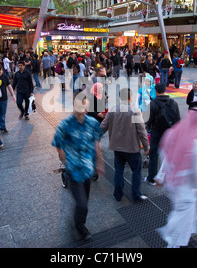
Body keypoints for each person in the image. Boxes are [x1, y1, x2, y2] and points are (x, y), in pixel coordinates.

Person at [154, 108, 197, 248]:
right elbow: (196, 172)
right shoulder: (195, 144)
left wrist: (161, 176)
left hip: (172, 182)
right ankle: (172, 241)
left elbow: (164, 156)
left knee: (183, 211)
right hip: (186, 188)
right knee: (181, 215)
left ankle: (185, 232)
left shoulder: (172, 133)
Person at [52, 97, 104, 241]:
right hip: (73, 171)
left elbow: (97, 144)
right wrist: (64, 160)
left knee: (84, 202)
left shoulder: (92, 123)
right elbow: (58, 143)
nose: (82, 110)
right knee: (82, 204)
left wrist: (100, 163)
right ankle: (79, 225)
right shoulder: (65, 125)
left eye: (84, 107)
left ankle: (77, 218)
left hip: (88, 170)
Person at [100, 88, 150, 203]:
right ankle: (136, 195)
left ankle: (118, 194)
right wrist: (146, 147)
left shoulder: (113, 110)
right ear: (130, 97)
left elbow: (103, 126)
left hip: (117, 147)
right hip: (132, 147)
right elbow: (141, 131)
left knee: (118, 169)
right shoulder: (135, 111)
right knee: (136, 171)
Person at [144, 83, 180, 186]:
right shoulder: (174, 103)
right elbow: (177, 119)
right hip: (170, 132)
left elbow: (148, 120)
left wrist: (149, 128)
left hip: (157, 131)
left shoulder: (153, 103)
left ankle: (151, 178)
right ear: (165, 90)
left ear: (156, 91)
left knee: (154, 154)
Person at [0, 64, 16, 134]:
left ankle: (2, 127)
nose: (0, 72)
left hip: (3, 98)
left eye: (1, 70)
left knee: (2, 114)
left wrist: (13, 95)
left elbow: (9, 86)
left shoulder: (4, 77)